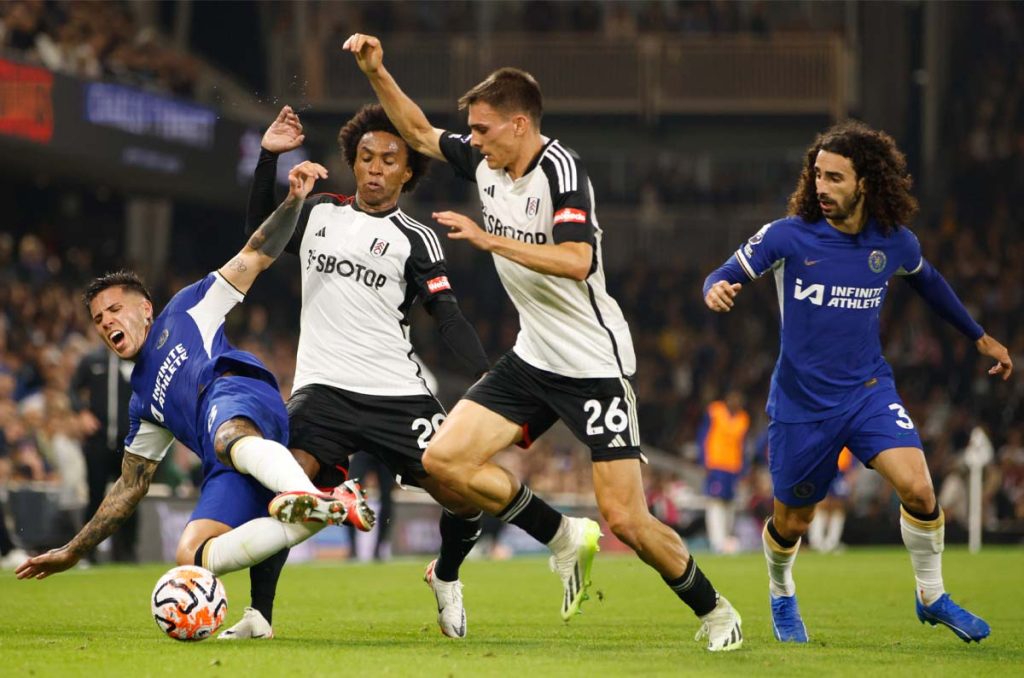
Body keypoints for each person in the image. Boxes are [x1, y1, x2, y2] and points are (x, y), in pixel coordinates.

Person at [344, 33, 744, 651]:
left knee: (627, 520)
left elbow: (578, 260)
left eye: (481, 130)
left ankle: (716, 611)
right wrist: (376, 72)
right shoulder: (487, 163)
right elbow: (421, 133)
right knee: (442, 460)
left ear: (518, 125)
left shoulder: (561, 170)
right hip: (533, 357)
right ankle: (561, 536)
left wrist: (490, 240)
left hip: (593, 363)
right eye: (471, 132)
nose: (471, 140)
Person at [16, 162, 375, 634]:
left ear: (145, 309)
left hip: (240, 395)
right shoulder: (141, 402)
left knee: (227, 433)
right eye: (99, 320)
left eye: (114, 309)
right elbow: (127, 489)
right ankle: (326, 510)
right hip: (224, 460)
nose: (106, 322)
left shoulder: (187, 307)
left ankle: (303, 495)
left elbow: (258, 253)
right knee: (191, 556)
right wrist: (73, 550)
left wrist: (293, 202)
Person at [703, 120, 1013, 644]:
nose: (822, 187)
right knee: (791, 524)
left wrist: (979, 337)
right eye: (817, 175)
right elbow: (722, 273)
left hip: (867, 392)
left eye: (835, 178)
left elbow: (930, 284)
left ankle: (931, 596)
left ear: (864, 182)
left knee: (917, 487)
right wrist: (715, 290)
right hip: (801, 404)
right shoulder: (788, 236)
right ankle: (781, 593)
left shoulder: (892, 243)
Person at [240, 104, 494, 640]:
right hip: (322, 392)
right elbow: (258, 235)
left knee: (467, 496)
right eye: (365, 157)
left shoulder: (416, 239)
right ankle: (259, 615)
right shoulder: (316, 214)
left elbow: (448, 319)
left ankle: (446, 576)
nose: (375, 168)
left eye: (388, 160)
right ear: (353, 162)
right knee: (286, 487)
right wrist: (268, 157)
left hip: (397, 393)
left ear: (408, 170)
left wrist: (491, 382)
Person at [69, 343, 138, 563]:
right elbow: (72, 389)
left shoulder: (134, 358)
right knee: (95, 497)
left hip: (128, 442)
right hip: (98, 442)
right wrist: (81, 412)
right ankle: (87, 553)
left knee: (130, 498)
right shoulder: (92, 359)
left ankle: (127, 553)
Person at [696, 391, 749, 554]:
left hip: (733, 467)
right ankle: (716, 541)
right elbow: (703, 435)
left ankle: (726, 540)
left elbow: (743, 445)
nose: (735, 401)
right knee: (715, 502)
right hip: (716, 464)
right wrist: (703, 459)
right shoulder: (715, 411)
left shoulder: (743, 419)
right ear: (726, 400)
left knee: (730, 503)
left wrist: (744, 468)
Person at [807, 447, 854, 553]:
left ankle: (832, 541)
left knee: (838, 506)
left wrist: (851, 474)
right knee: (822, 503)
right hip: (824, 468)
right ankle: (816, 541)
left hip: (842, 471)